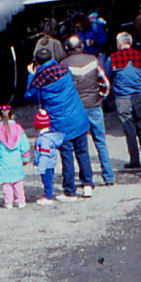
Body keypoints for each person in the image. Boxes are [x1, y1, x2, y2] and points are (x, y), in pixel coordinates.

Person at [25, 48, 93, 200]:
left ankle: (70, 191)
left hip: (60, 123)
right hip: (78, 117)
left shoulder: (38, 80)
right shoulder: (65, 70)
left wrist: (31, 75)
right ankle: (87, 185)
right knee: (83, 152)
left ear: (36, 62)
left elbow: (30, 96)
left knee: (67, 156)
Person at [62, 36, 114, 186]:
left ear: (67, 48)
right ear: (80, 46)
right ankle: (108, 176)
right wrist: (100, 98)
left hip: (76, 109)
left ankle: (85, 178)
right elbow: (105, 83)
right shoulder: (92, 59)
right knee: (100, 141)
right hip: (94, 105)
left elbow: (64, 89)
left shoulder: (64, 64)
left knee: (79, 146)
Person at [109, 32, 141, 170]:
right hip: (138, 95)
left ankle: (134, 160)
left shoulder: (113, 58)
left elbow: (107, 77)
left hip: (122, 97)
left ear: (119, 43)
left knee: (129, 128)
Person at [0, 105, 31, 210]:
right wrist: (25, 159)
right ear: (12, 115)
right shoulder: (18, 129)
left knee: (7, 183)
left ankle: (8, 202)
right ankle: (21, 201)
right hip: (16, 160)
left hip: (4, 162)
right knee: (18, 181)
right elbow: (25, 146)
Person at [33, 109, 64, 207]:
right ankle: (48, 194)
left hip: (46, 164)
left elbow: (44, 155)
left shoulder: (44, 139)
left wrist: (41, 167)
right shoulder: (49, 136)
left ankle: (48, 197)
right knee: (49, 180)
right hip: (50, 163)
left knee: (47, 181)